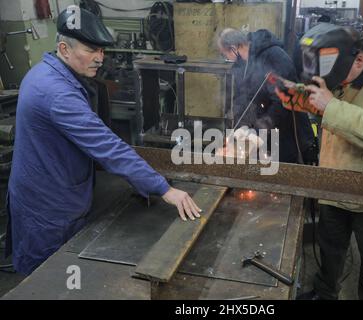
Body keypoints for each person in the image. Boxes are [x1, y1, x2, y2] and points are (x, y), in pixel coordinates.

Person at [5, 7, 201, 276]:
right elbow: (107, 146)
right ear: (64, 48)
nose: (99, 58)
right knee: (47, 280)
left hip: (49, 191)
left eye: (101, 50)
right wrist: (164, 188)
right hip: (49, 209)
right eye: (90, 50)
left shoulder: (45, 71)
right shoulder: (57, 93)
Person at [276, 23, 363, 299]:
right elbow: (331, 103)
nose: (337, 86)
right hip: (336, 184)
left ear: (360, 58)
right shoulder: (345, 70)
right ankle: (325, 293)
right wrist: (301, 99)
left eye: (338, 80)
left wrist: (330, 105)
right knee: (330, 250)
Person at [217, 28, 316, 164]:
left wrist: (259, 129)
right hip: (268, 135)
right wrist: (241, 126)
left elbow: (282, 101)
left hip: (289, 134)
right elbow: (243, 97)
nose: (227, 59)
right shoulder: (244, 64)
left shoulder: (274, 56)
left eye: (225, 55)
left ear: (234, 48)